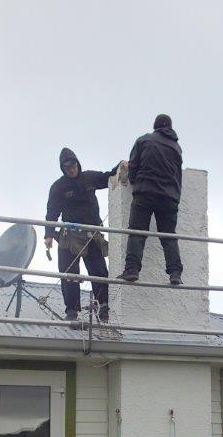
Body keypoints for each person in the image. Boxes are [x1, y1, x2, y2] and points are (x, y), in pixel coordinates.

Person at [44, 148, 121, 322]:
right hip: (69, 235)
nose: (70, 170)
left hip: (91, 234)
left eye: (72, 165)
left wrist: (121, 165)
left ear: (77, 163)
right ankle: (72, 310)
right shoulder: (58, 187)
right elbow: (52, 212)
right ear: (63, 169)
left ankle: (104, 305)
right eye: (66, 168)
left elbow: (108, 176)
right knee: (69, 272)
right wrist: (48, 235)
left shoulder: (89, 178)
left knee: (98, 270)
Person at [119, 114, 183, 285]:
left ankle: (132, 269)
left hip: (145, 193)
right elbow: (178, 174)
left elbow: (133, 168)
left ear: (155, 126)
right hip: (169, 198)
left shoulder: (143, 141)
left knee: (137, 232)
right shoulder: (177, 147)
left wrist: (133, 178)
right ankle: (175, 273)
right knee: (168, 236)